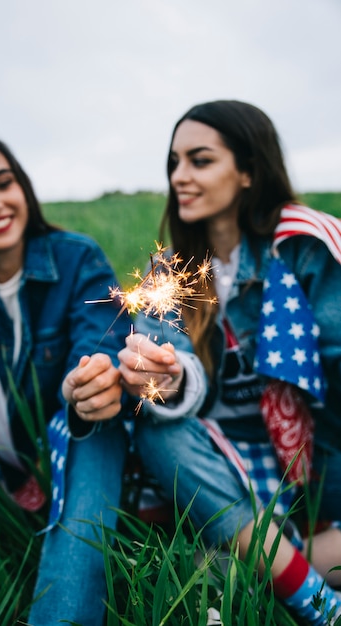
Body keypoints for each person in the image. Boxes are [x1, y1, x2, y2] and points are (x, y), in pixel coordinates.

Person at [118, 100, 341, 624]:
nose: (180, 177)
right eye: (174, 163)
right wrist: (165, 377)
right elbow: (169, 369)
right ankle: (319, 599)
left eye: (200, 161)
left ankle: (240, 568)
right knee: (155, 427)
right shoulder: (168, 272)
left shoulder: (304, 247)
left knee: (177, 574)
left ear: (247, 171)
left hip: (315, 457)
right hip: (222, 468)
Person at [0, 132, 130, 626]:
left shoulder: (76, 256)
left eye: (2, 183)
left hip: (68, 436)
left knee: (96, 428)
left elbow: (98, 345)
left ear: (23, 186)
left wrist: (88, 383)